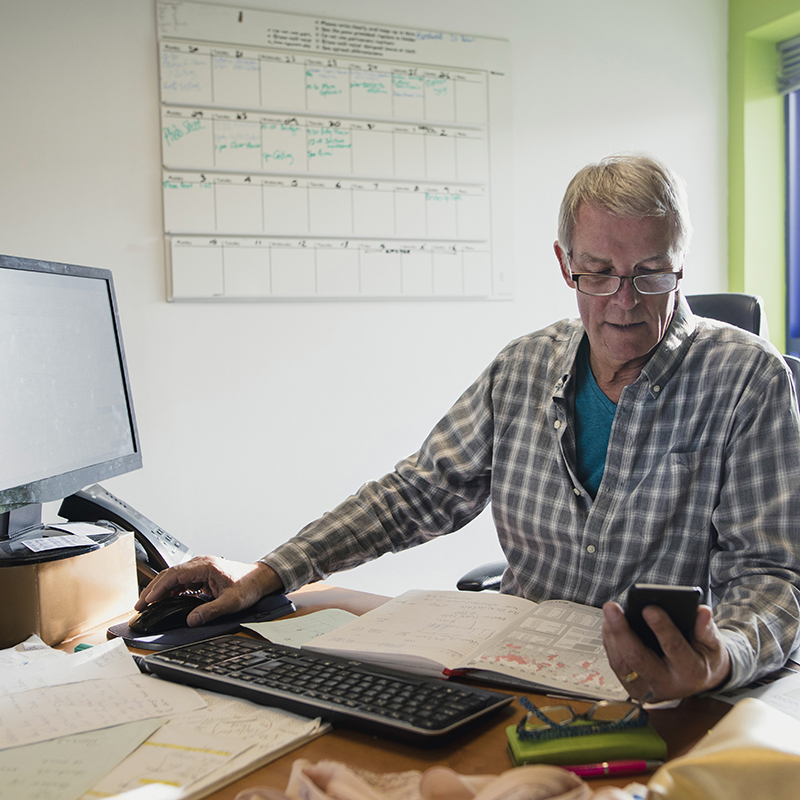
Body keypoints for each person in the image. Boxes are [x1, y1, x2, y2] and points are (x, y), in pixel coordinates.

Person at [137, 154, 800, 703]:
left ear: (680, 263)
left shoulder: (749, 381)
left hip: (678, 697)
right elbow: (417, 492)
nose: (622, 300)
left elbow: (771, 575)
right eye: (596, 272)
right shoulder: (523, 367)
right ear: (563, 263)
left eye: (650, 273)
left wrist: (721, 658)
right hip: (525, 682)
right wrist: (273, 570)